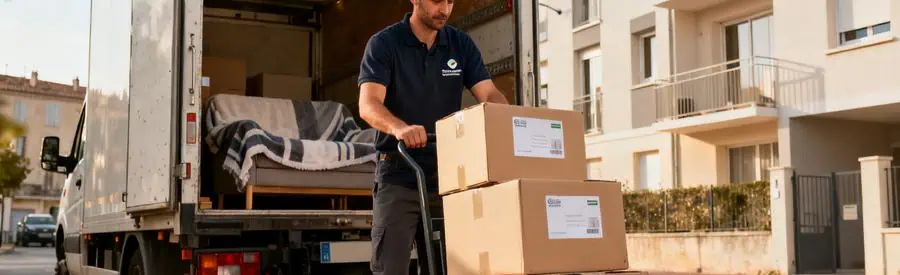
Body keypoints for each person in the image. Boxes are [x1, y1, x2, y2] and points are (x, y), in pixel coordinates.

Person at [357, 0, 509, 274]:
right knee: (390, 267)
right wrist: (400, 129)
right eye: (437, 0)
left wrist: (505, 118)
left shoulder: (459, 45)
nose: (445, 9)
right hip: (399, 172)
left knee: (447, 267)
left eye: (451, 1)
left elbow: (488, 94)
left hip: (447, 176)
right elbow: (368, 104)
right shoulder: (384, 44)